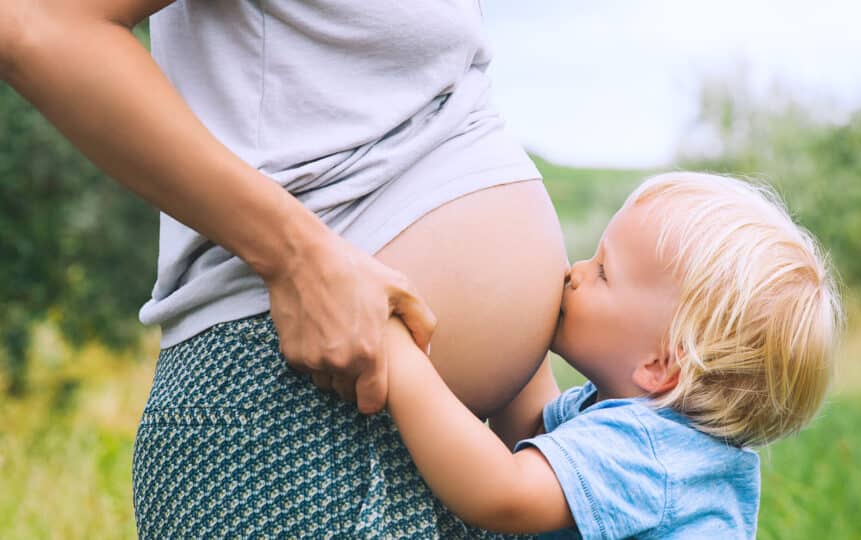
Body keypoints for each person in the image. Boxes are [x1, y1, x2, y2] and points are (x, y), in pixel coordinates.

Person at [1, 1, 567, 537]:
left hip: (474, 455)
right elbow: (41, 22)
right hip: (295, 421)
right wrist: (297, 258)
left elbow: (433, 115)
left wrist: (525, 374)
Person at [381, 172, 843, 539]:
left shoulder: (647, 453)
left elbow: (504, 492)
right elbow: (529, 430)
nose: (577, 272)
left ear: (659, 365)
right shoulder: (634, 423)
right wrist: (518, 318)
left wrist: (400, 357)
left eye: (603, 271)